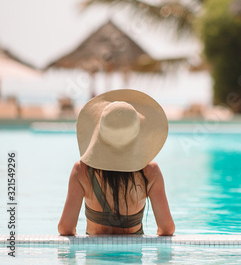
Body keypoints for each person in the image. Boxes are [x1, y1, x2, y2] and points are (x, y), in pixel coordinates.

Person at [58, 89, 175, 236]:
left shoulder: (81, 171)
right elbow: (167, 228)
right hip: (132, 257)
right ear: (137, 133)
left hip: (96, 258)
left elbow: (65, 228)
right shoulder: (150, 172)